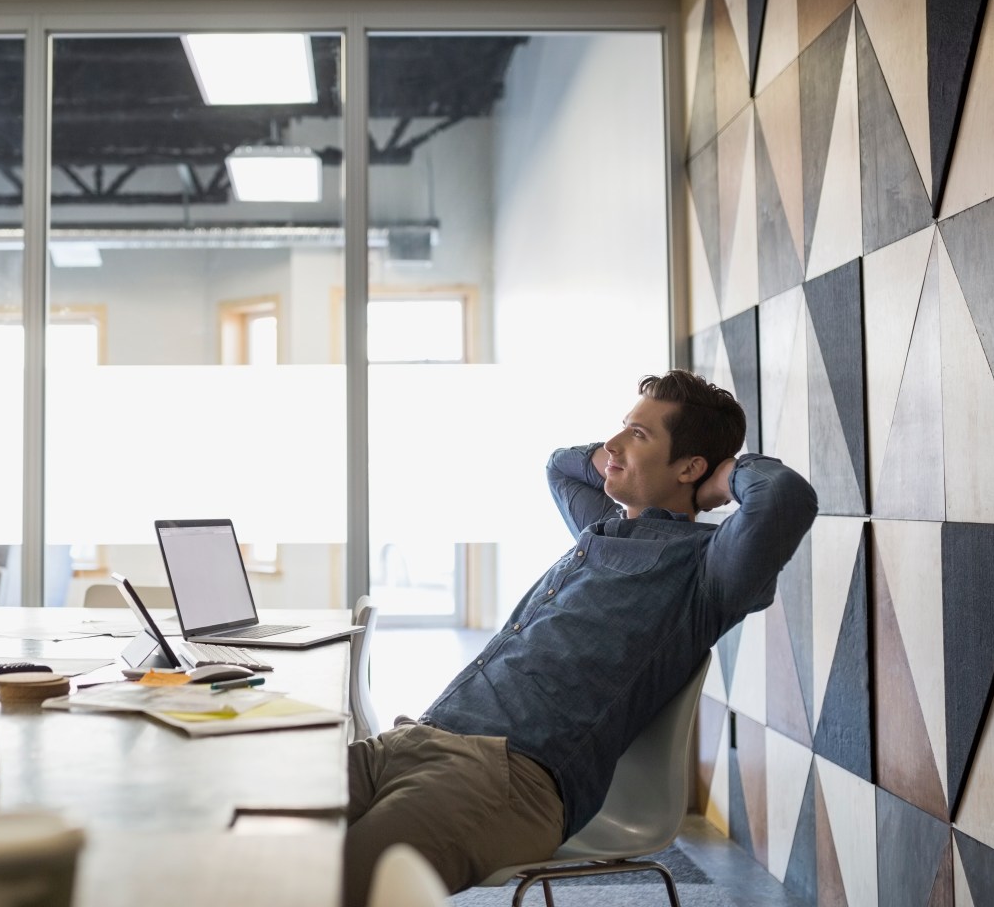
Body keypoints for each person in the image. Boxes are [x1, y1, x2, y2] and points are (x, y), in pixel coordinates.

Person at [343, 370, 817, 907]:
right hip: (414, 740)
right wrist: (627, 456)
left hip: (504, 778)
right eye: (621, 428)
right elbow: (560, 465)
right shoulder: (603, 529)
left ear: (690, 466)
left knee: (331, 883)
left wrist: (725, 477)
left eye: (639, 436)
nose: (612, 444)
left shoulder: (706, 571)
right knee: (250, 817)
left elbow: (787, 498)